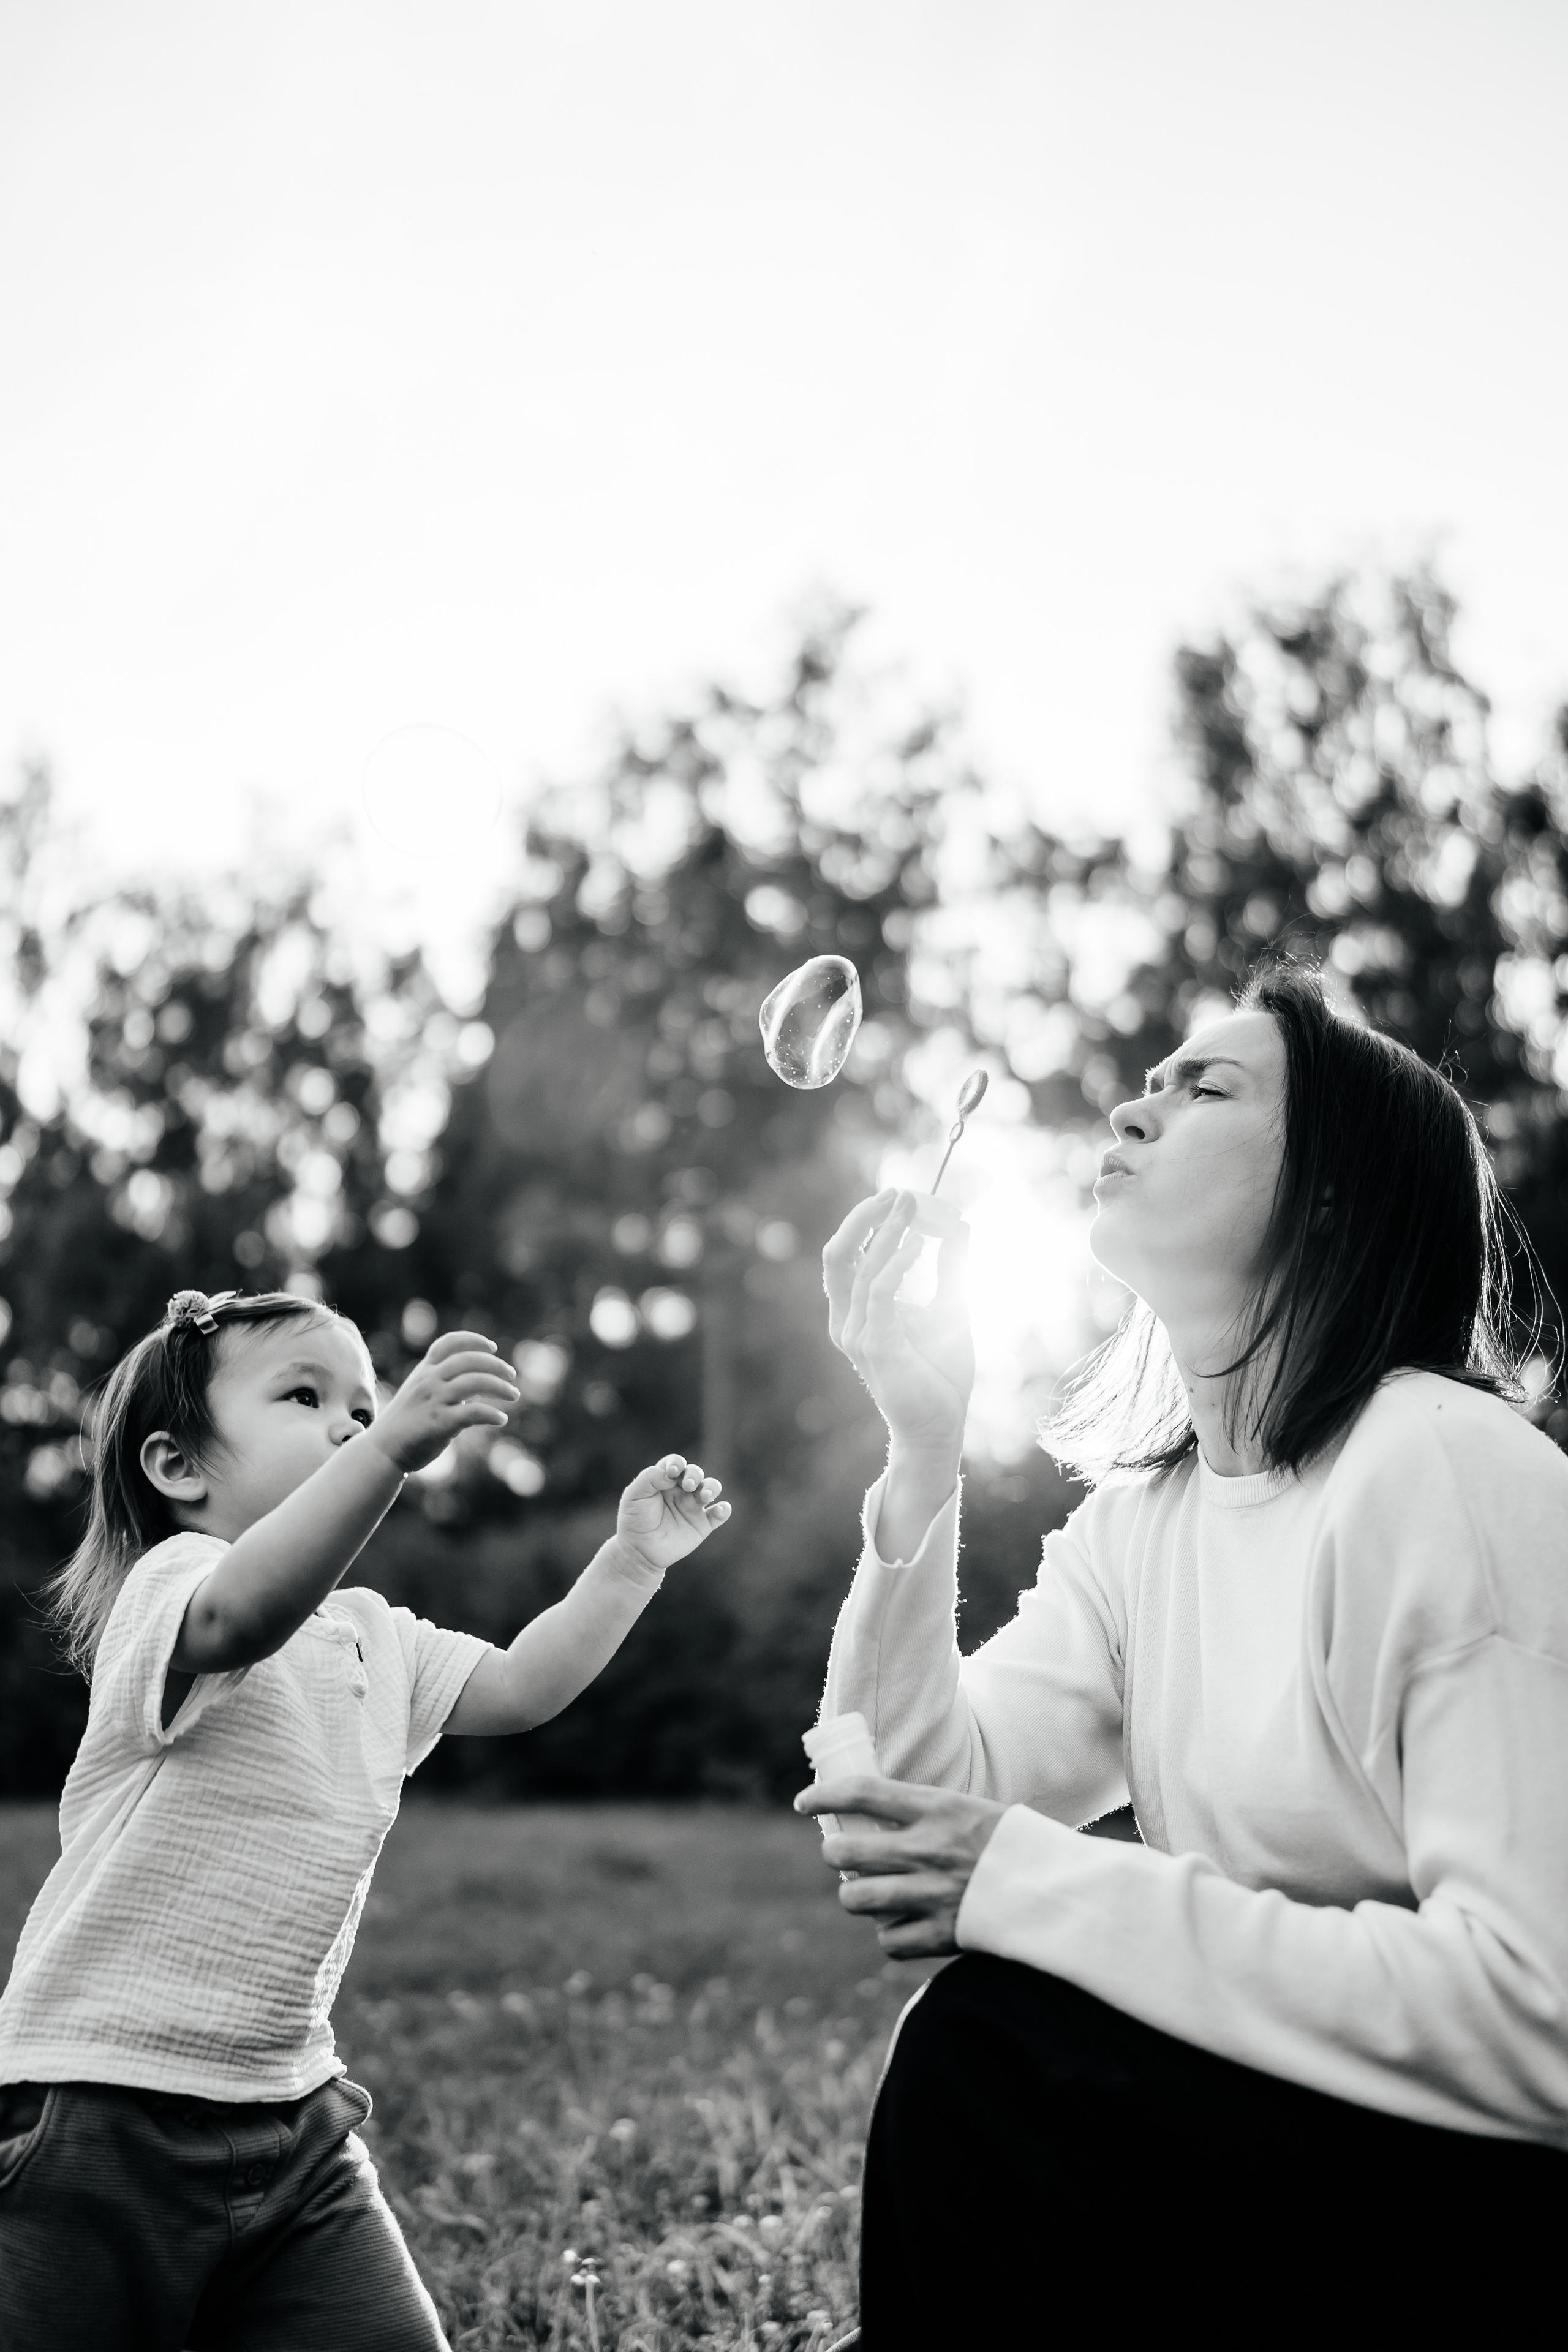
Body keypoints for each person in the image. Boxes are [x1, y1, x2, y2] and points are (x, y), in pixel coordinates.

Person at [799, 962, 1568, 2344]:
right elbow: (910, 1792)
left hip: (1496, 2208)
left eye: (1203, 1086)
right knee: (995, 2036)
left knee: (996, 2051)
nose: (1137, 1103)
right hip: (1311, 2162)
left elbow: (1538, 2026)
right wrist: (921, 1447)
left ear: (1331, 1191)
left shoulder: (1440, 1465)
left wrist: (1045, 1888)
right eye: (1149, 1078)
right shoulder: (1140, 1526)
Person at [0, 1287, 729, 2351]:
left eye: (364, 1402)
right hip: (98, 2113)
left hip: (292, 2125)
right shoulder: (176, 1585)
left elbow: (525, 1686)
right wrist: (387, 1449)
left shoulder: (374, 1636)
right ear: (178, 1468)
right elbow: (242, 1615)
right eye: (307, 1395)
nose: (351, 1420)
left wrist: (630, 1564)